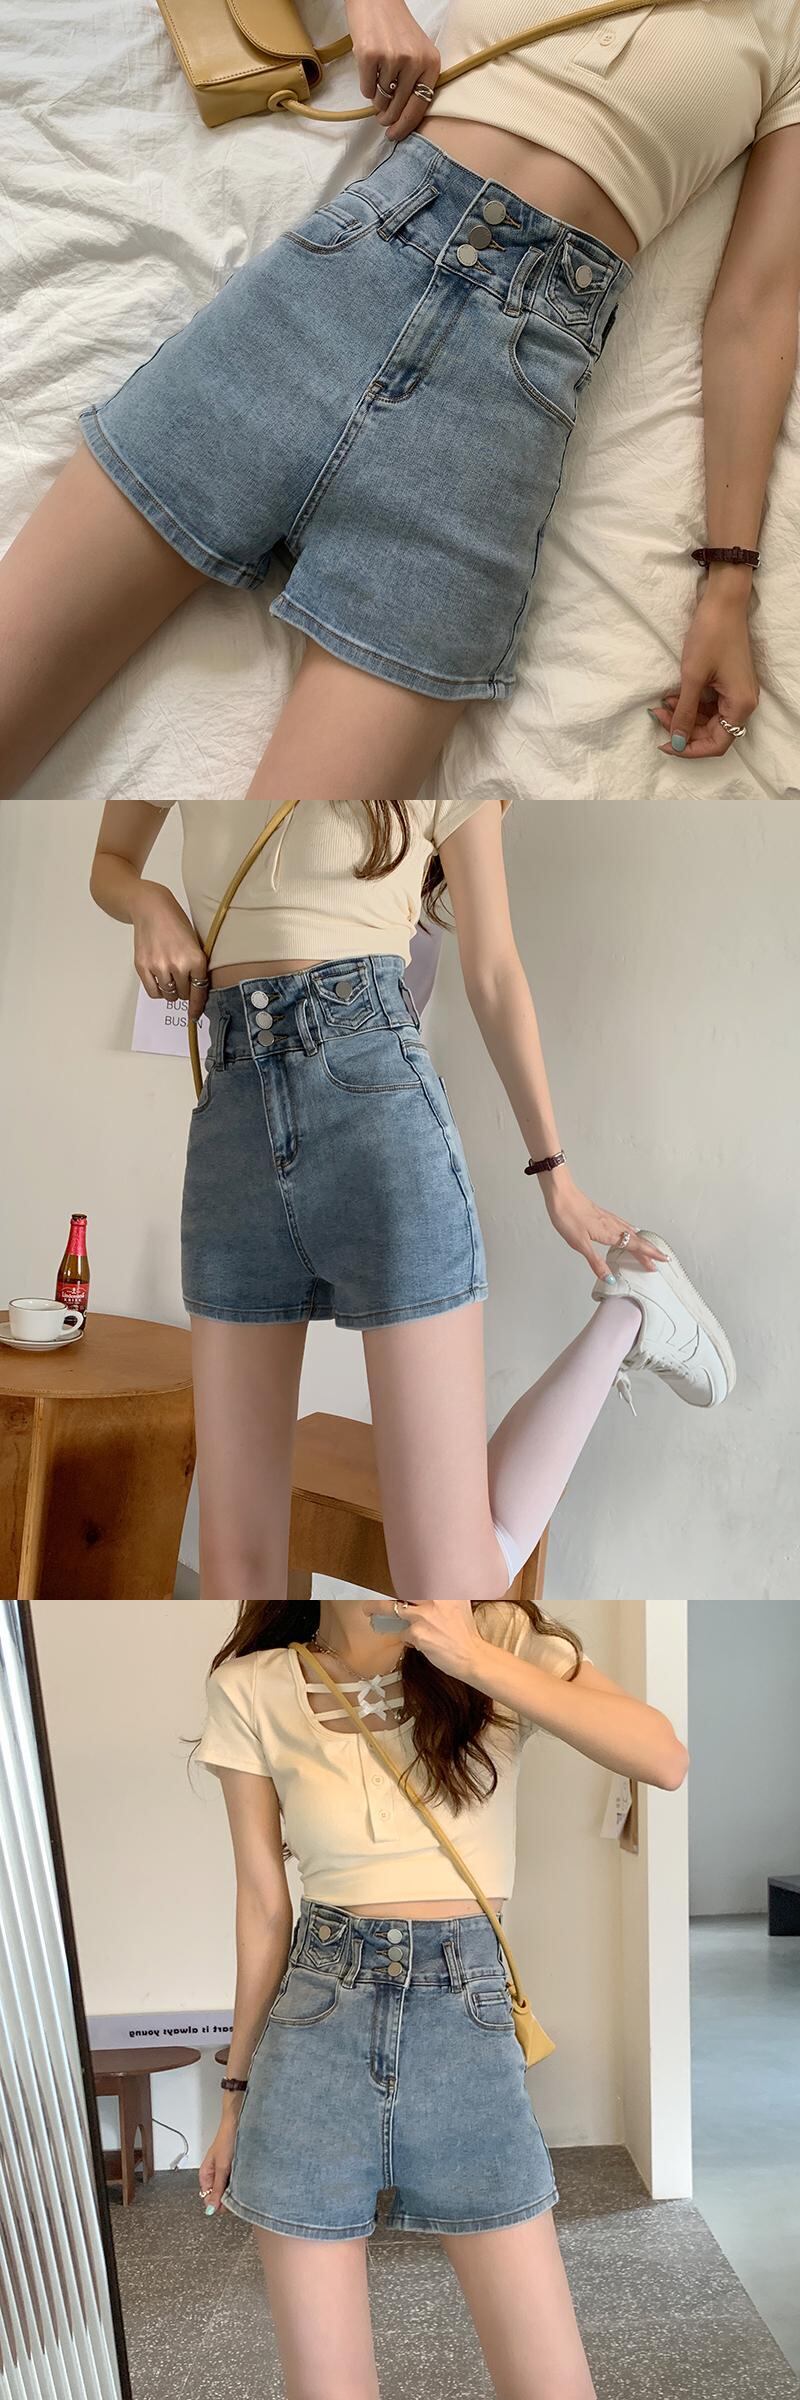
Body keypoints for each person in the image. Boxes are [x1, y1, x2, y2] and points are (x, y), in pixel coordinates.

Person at [1, 3, 799, 794]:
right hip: (330, 287)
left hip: (495, 416)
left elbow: (757, 312)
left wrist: (729, 584)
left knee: (313, 839)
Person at [89, 794, 735, 1601]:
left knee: (448, 1583)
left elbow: (493, 973)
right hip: (232, 1126)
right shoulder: (201, 731)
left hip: (377, 1111)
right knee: (236, 1572)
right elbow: (108, 863)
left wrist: (556, 1176)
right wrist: (148, 900)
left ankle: (631, 1317)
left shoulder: (446, 754)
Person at [193, 1594, 689, 2400]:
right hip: (315, 2032)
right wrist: (233, 2096)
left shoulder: (494, 1633)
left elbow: (662, 1757)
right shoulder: (252, 1685)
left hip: (467, 2024)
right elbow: (262, 1908)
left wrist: (469, 1656)